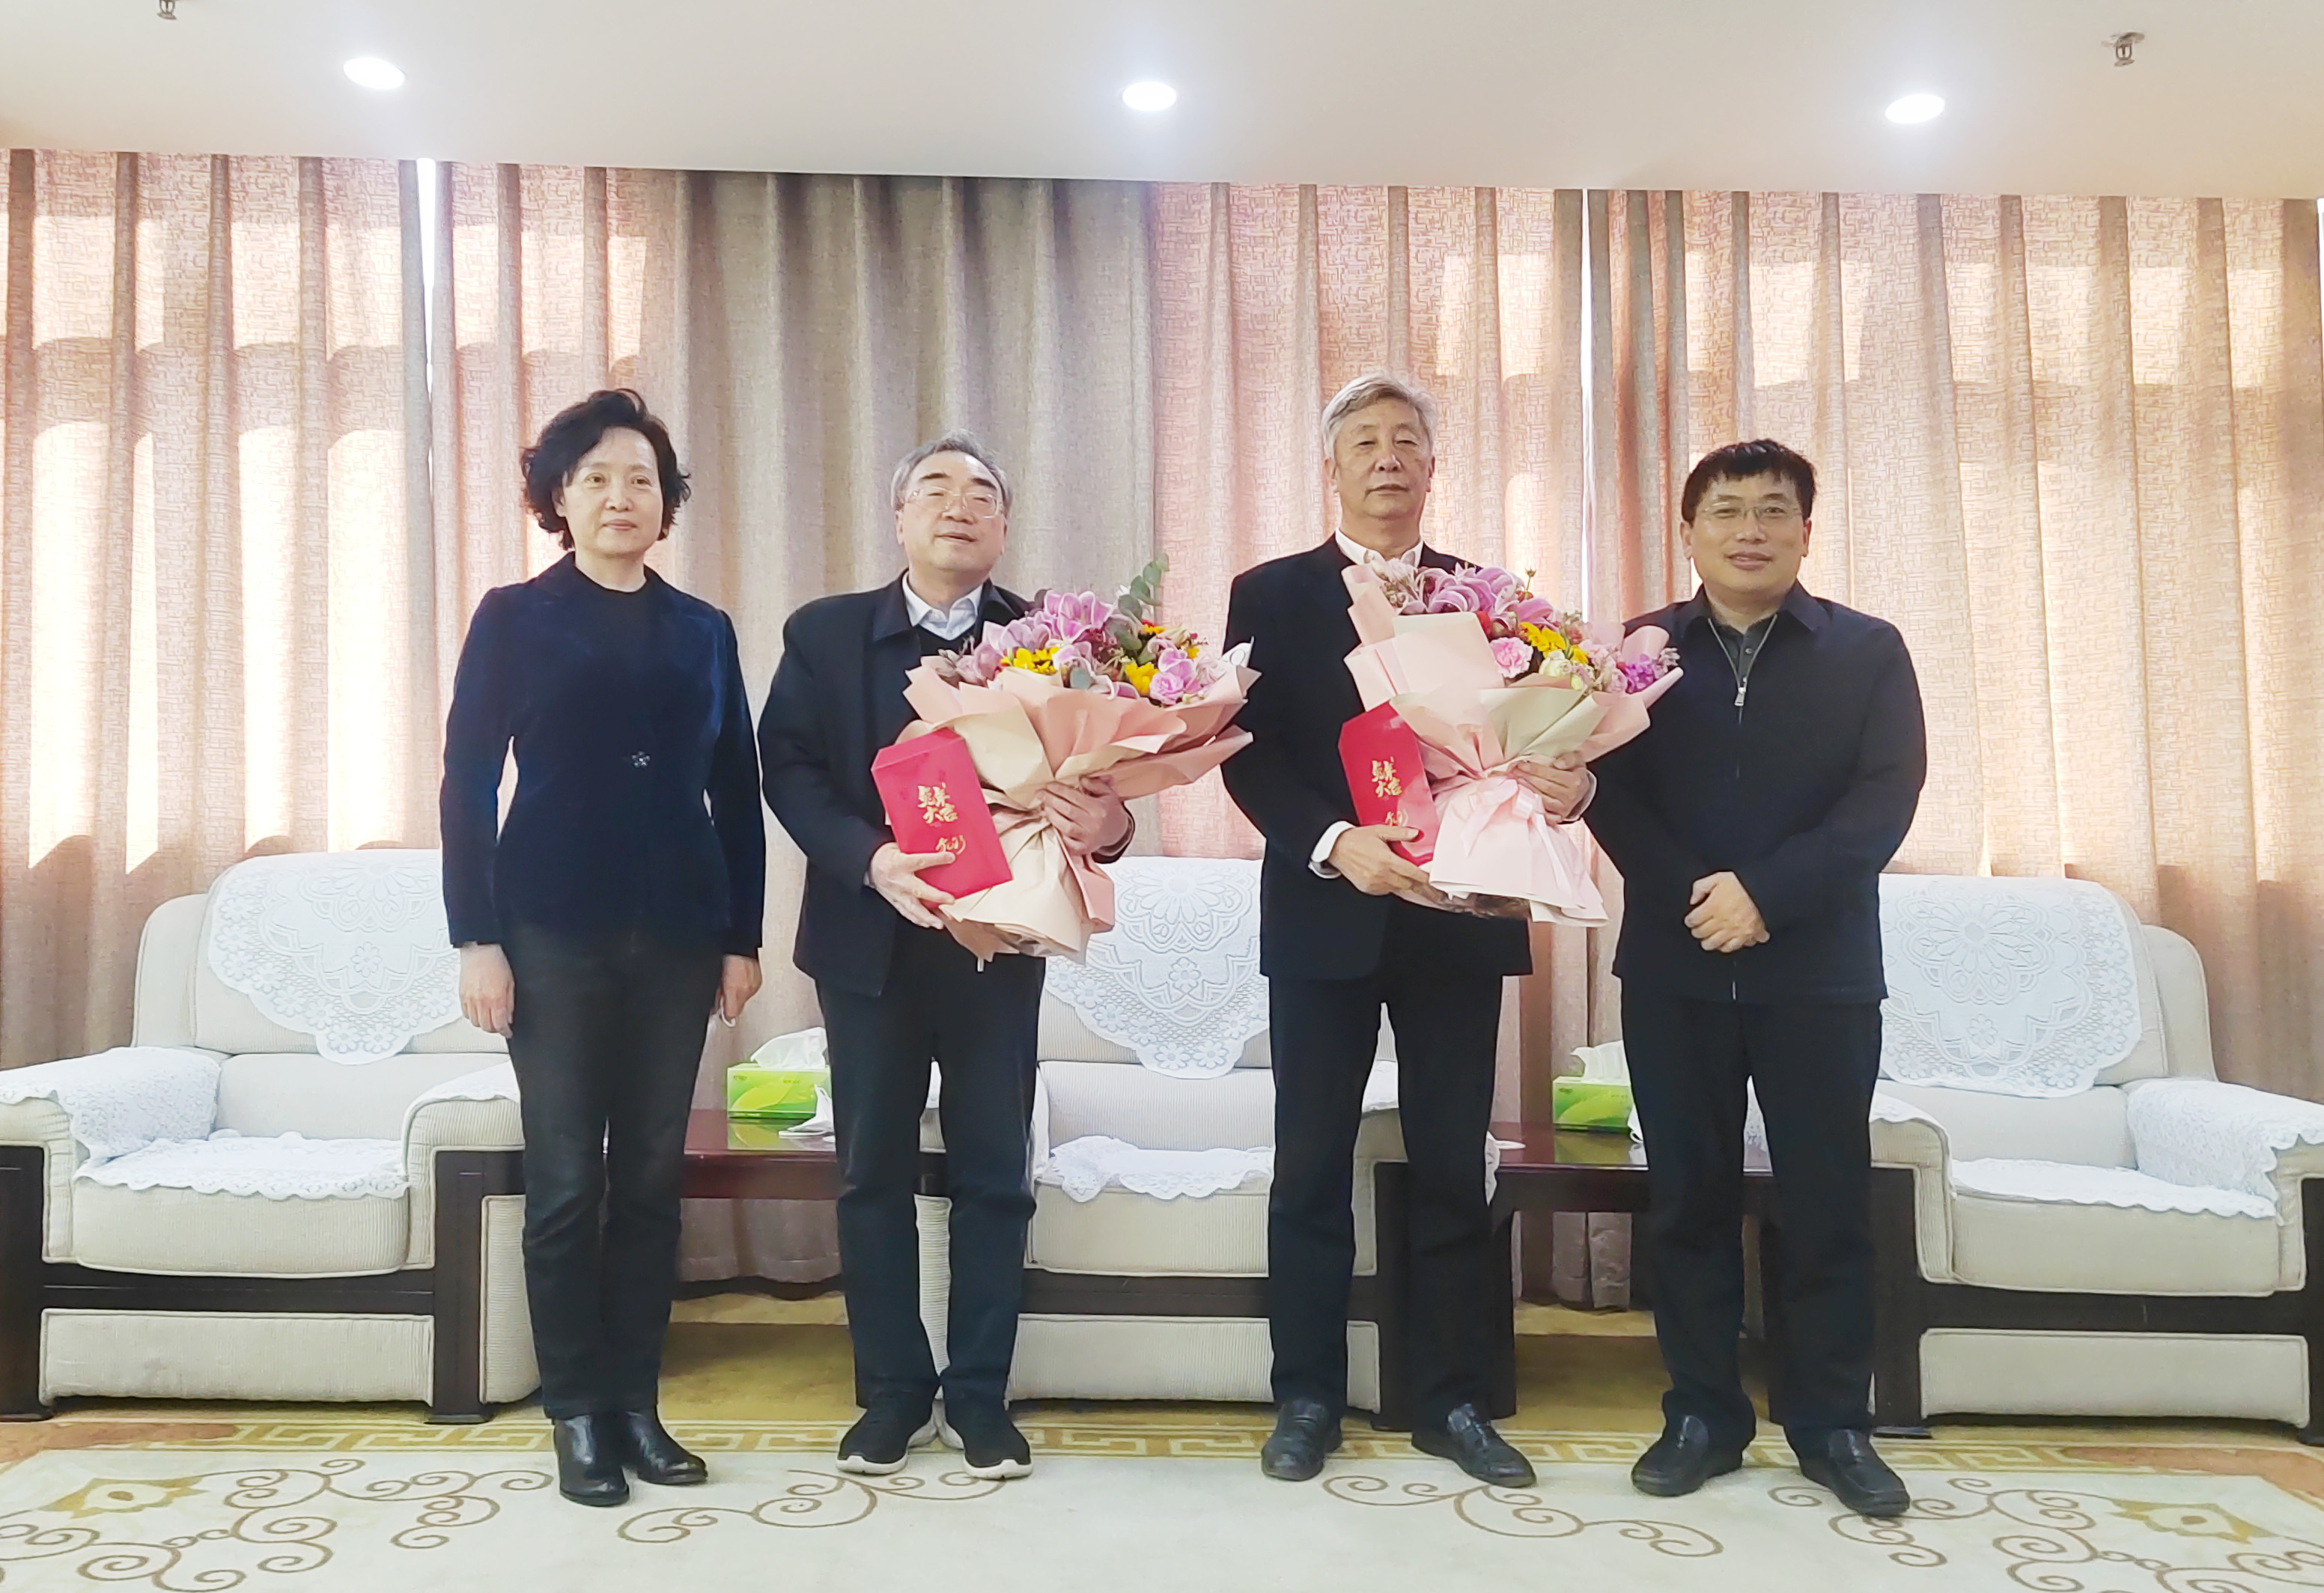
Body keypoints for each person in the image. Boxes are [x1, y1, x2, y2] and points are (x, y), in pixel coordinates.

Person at [1221, 374, 1590, 1486]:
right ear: (1331, 468)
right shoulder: (1268, 593)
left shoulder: (1489, 598)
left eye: (1406, 442)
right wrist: (1338, 842)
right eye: (1365, 443)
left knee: (1449, 1163)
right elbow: (1248, 756)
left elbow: (1534, 741)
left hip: (1456, 919)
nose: (1387, 459)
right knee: (1309, 1165)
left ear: (1433, 466)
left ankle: (1452, 1400)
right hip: (1326, 911)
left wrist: (1565, 788)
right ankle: (1307, 1398)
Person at [758, 432, 1132, 1481]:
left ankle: (977, 1397)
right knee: (870, 1175)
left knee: (993, 1176)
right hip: (866, 941)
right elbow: (786, 767)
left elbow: (1106, 793)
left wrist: (1105, 824)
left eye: (981, 494)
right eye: (934, 489)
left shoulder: (1053, 645)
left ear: (1004, 527)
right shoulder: (827, 634)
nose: (958, 506)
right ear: (900, 518)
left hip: (997, 947)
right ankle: (891, 1395)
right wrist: (872, 860)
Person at [1584, 438, 1927, 1517]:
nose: (1749, 530)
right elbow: (1606, 790)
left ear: (1806, 532)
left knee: (1826, 1203)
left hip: (1820, 971)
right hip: (1675, 964)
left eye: (1773, 510)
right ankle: (1701, 1414)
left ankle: (1832, 1425)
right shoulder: (1638, 652)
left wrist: (1766, 897)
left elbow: (1885, 798)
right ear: (1689, 531)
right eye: (1726, 510)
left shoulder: (1868, 650)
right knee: (1687, 1199)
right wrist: (1699, 896)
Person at [441, 389, 766, 1508]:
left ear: (666, 503)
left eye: (641, 480)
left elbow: (738, 792)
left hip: (679, 935)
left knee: (651, 1182)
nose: (620, 497)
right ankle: (576, 1411)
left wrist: (741, 938)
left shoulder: (705, 630)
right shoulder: (513, 618)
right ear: (560, 499)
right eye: (595, 479)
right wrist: (477, 937)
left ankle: (636, 1405)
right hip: (550, 933)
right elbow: (467, 784)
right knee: (569, 1182)